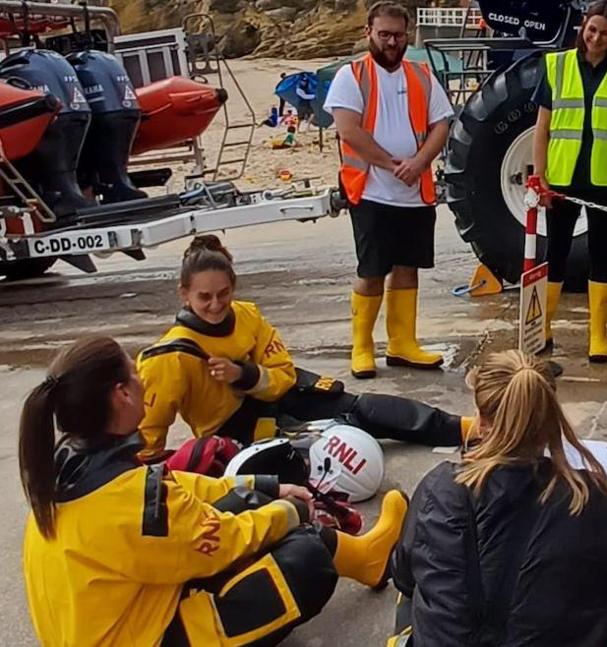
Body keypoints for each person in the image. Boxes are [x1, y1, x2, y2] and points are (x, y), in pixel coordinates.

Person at [20, 336, 410, 647]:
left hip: (116, 623)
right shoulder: (138, 506)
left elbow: (176, 486)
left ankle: (364, 559)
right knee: (305, 558)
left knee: (246, 503)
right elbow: (224, 541)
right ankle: (359, 558)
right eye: (134, 373)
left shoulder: (64, 469)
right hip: (147, 635)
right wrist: (293, 512)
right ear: (122, 394)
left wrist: (265, 485)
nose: (143, 378)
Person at [387, 350, 607, 646]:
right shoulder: (596, 499)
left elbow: (403, 577)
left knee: (416, 587)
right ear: (552, 425)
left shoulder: (437, 487)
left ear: (480, 422)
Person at [135, 235, 471, 463]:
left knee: (356, 408)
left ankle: (462, 427)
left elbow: (283, 375)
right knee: (329, 448)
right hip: (233, 433)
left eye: (223, 294)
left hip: (274, 398)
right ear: (184, 294)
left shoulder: (247, 315)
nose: (215, 305)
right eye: (204, 297)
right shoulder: (168, 357)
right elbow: (149, 435)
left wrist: (244, 374)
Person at [325, 1, 454, 375]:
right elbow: (349, 130)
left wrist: (420, 163)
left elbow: (441, 125)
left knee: (408, 267)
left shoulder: (422, 75)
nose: (392, 42)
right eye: (384, 35)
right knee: (371, 270)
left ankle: (402, 344)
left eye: (398, 35)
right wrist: (392, 163)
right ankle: (362, 347)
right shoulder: (351, 76)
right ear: (369, 33)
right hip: (370, 190)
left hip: (415, 192)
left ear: (407, 34)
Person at [533, 0, 607, 363]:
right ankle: (544, 327)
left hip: (606, 179)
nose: (596, 38)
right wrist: (540, 175)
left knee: (602, 253)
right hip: (563, 177)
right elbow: (542, 127)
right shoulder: (557, 64)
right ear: (583, 27)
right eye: (592, 29)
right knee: (556, 253)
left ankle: (598, 334)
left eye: (605, 33)